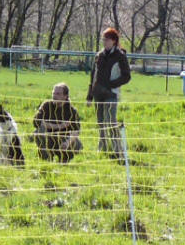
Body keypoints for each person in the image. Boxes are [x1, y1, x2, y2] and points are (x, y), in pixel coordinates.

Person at [86, 27, 130, 163]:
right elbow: (93, 76)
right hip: (98, 93)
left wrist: (111, 84)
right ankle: (103, 147)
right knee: (100, 122)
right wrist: (89, 95)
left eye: (106, 40)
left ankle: (117, 149)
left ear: (114, 41)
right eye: (103, 39)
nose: (104, 42)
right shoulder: (99, 55)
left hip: (111, 93)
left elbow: (126, 76)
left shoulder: (120, 56)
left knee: (111, 121)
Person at [33, 83, 83, 163]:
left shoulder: (72, 111)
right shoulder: (46, 105)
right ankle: (46, 160)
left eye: (58, 94)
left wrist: (67, 143)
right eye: (53, 93)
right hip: (49, 139)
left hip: (63, 140)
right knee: (38, 132)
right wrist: (59, 126)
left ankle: (65, 159)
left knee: (76, 142)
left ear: (65, 96)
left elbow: (76, 130)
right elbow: (36, 122)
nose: (54, 96)